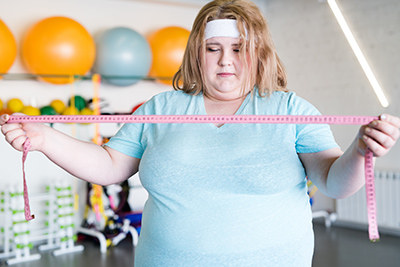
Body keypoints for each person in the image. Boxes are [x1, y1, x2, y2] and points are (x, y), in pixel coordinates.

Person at [1, 0, 399, 266]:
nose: (226, 61)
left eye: (239, 47)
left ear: (259, 52)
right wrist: (45, 138)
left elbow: (332, 180)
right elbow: (109, 165)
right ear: (197, 52)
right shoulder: (161, 108)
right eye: (213, 49)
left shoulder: (290, 109)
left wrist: (362, 151)